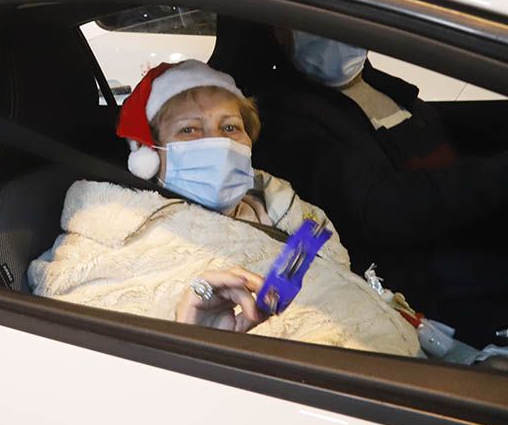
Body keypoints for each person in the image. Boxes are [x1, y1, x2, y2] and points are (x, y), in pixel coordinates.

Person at [28, 59, 422, 356]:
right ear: (150, 155)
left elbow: (336, 287)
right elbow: (95, 340)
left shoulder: (289, 211)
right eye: (189, 130)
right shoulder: (107, 234)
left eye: (230, 127)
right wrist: (192, 330)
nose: (216, 142)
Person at [243, 28, 508, 346]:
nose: (339, 33)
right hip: (422, 272)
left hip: (460, 230)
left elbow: (437, 123)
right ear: (277, 31)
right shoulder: (285, 116)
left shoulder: (370, 82)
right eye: (317, 23)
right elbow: (384, 209)